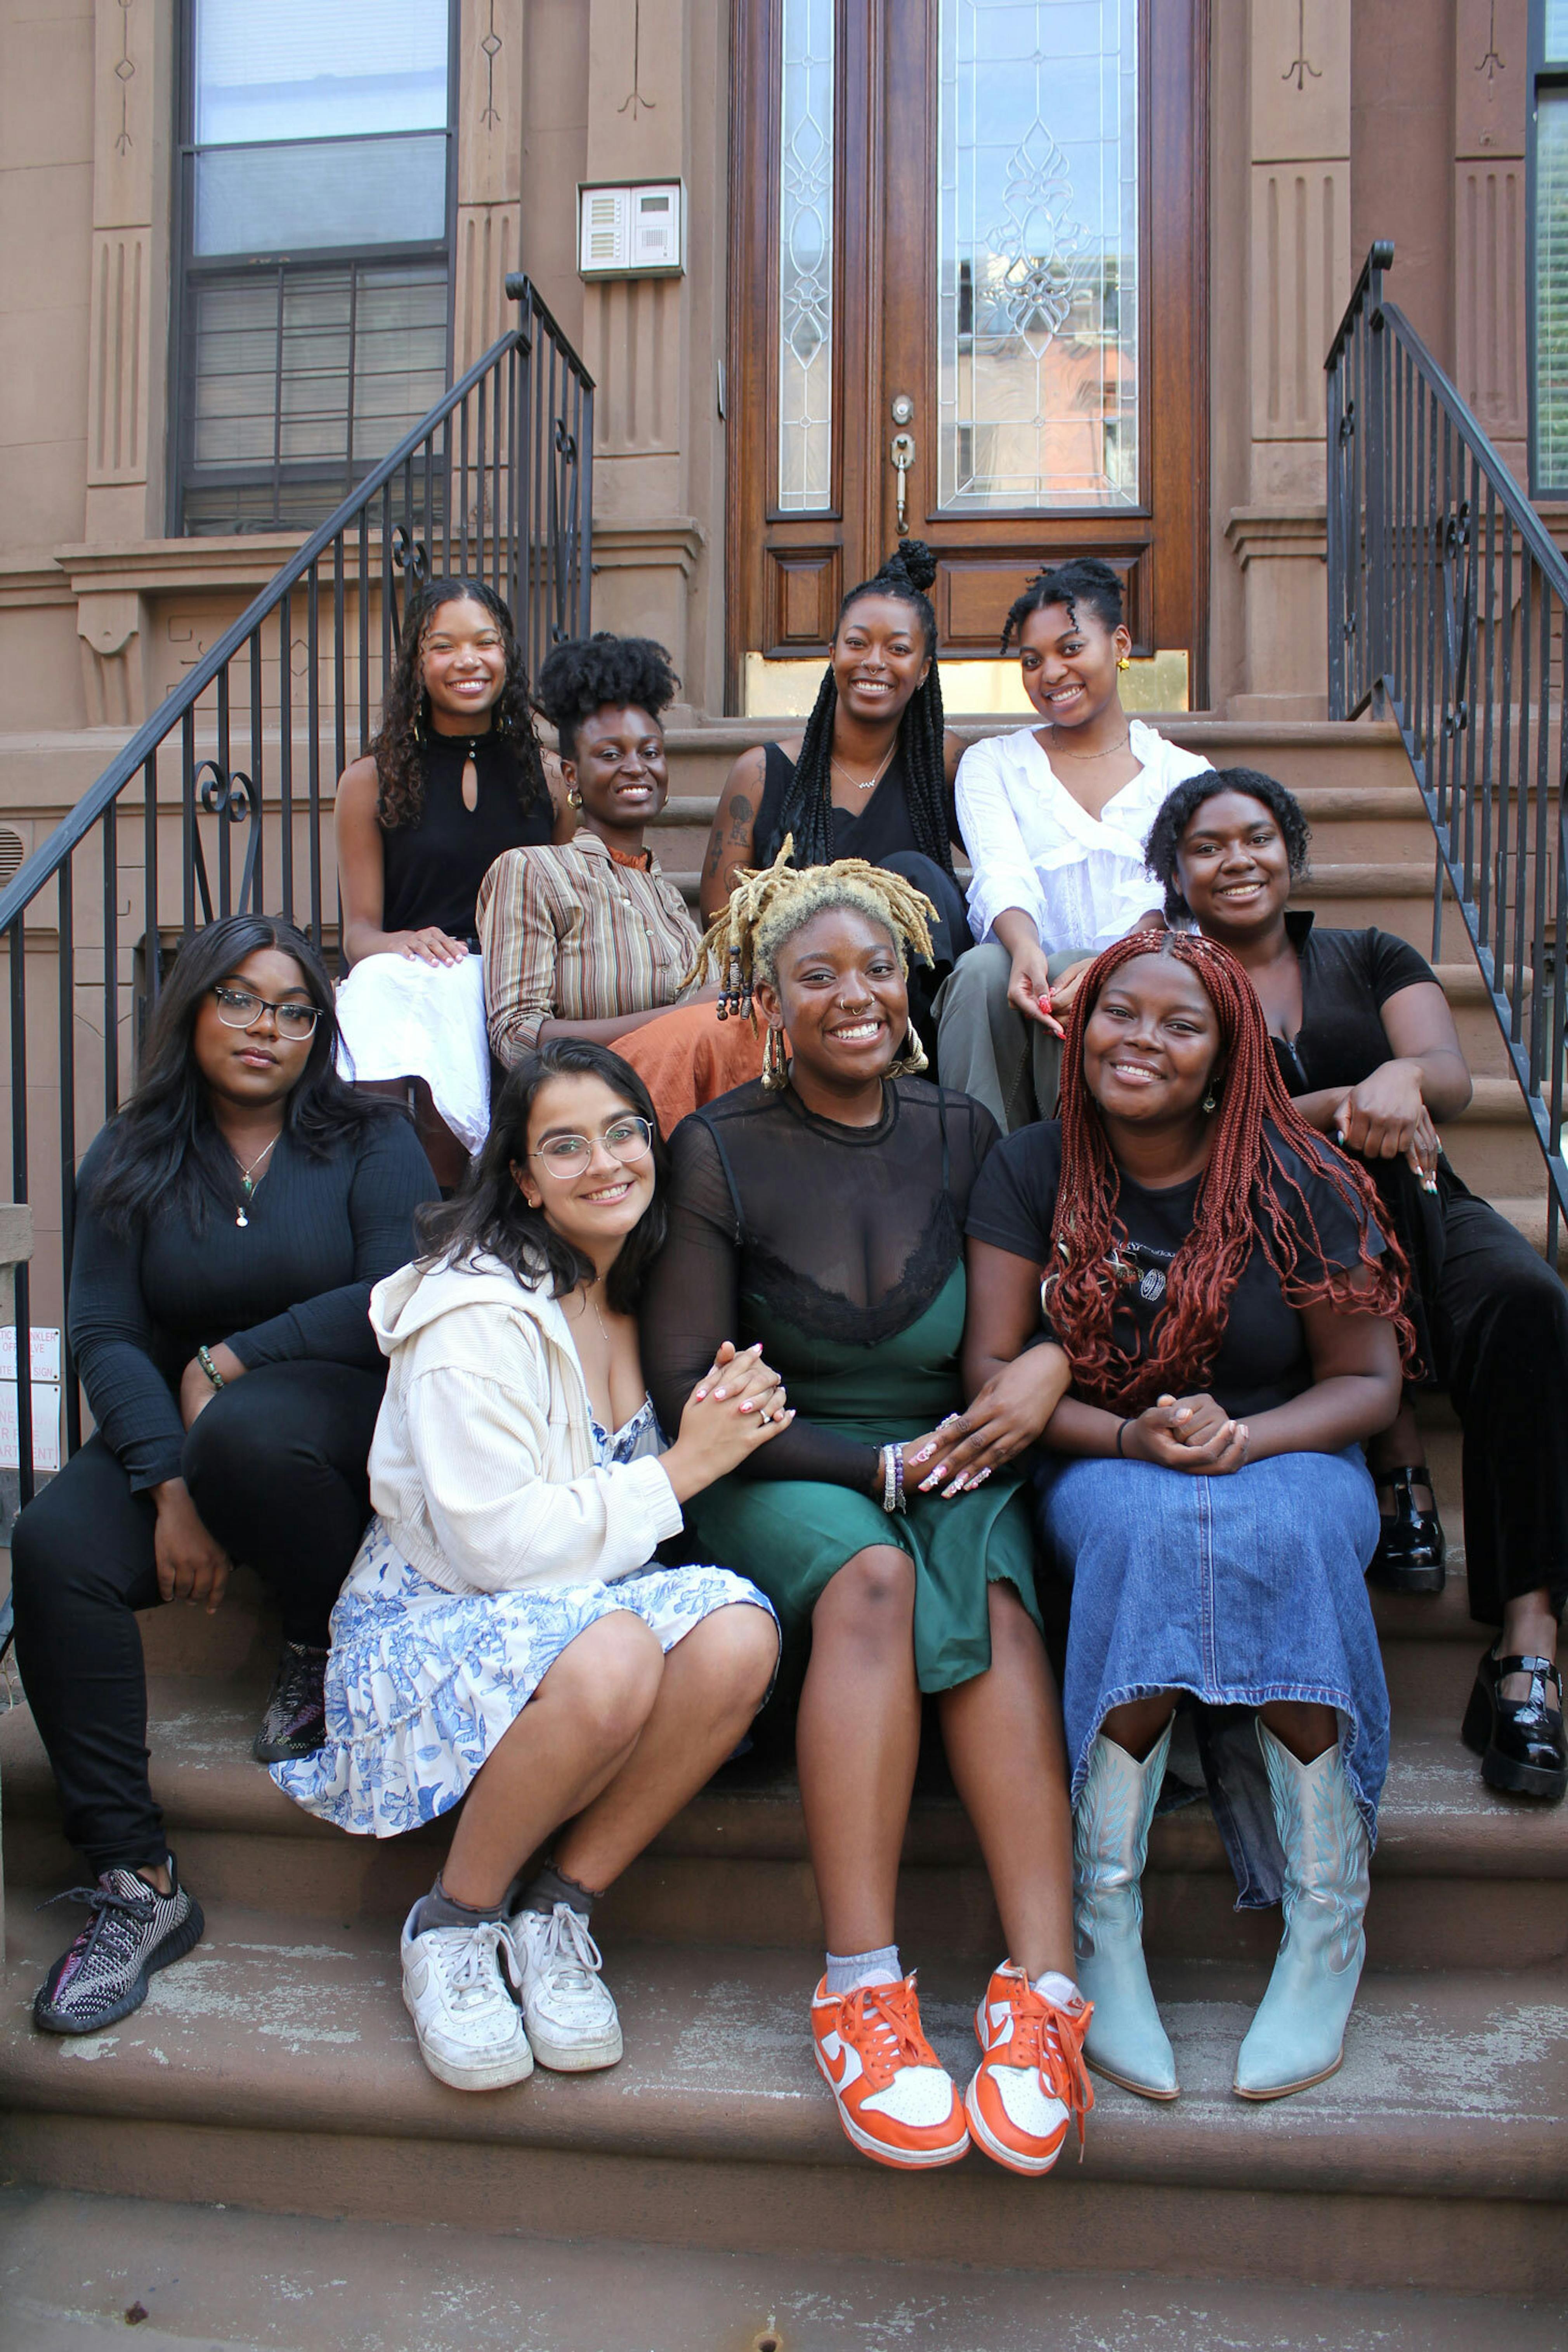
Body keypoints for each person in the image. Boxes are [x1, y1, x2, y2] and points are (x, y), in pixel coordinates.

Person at [642, 848, 1091, 2179]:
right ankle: (862, 1990)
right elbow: (687, 1386)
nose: (855, 994)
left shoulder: (966, 1134)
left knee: (991, 1582)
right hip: (786, 1469)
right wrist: (872, 1474)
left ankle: (1046, 1996)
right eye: (816, 975)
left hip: (950, 1447)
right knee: (881, 1581)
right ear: (768, 1003)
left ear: (912, 984)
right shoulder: (716, 1151)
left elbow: (1051, 1306)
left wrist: (1043, 1373)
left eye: (879, 969)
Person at [272, 1041, 785, 2094]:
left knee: (741, 1635)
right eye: (565, 1144)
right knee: (614, 1659)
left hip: (585, 1608)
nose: (605, 1161)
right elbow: (492, 1546)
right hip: (431, 1618)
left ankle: (558, 1911)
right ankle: (454, 1923)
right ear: (520, 1176)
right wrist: (684, 1468)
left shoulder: (643, 1286)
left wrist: (726, 1411)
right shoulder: (475, 1309)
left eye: (624, 1131)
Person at [964, 930, 1412, 2102]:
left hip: (1289, 1444)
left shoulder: (1294, 1172)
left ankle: (1328, 1921)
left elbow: (1368, 1384)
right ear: (1079, 1024)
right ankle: (1102, 1914)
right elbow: (993, 1369)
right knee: (1151, 1529)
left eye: (1180, 1024)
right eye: (1120, 1013)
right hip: (1104, 1451)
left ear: (1225, 1055)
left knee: (1289, 1531)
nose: (1141, 1041)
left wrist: (1244, 1437)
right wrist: (1128, 1435)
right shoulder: (1031, 1164)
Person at [11, 914, 437, 2038]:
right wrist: (165, 1489)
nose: (268, 1027)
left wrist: (231, 1358)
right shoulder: (131, 1149)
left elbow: (389, 1297)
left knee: (248, 1429)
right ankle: (134, 1882)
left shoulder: (370, 1134)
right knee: (53, 1545)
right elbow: (102, 1330)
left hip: (325, 1417)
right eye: (241, 999)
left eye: (297, 1009)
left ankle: (315, 1634)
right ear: (194, 1006)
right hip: (179, 1437)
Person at [1144, 767, 1567, 1804]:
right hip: (1270, 1244)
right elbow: (1197, 1121)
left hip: (1426, 1207)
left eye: (1256, 837)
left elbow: (1450, 1076)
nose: (1236, 860)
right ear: (1176, 873)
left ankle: (1528, 1629)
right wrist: (1358, 1093)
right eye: (1207, 846)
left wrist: (1401, 1080)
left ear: (1291, 850)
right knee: (1346, 1160)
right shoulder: (1175, 977)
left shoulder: (1371, 953)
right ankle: (1395, 1445)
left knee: (1529, 1303)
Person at [936, 557, 1211, 1131]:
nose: (1051, 673)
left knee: (1066, 968)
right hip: (1032, 983)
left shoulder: (1183, 774)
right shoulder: (995, 763)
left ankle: (1085, 1177)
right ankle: (981, 1172)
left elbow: (1171, 895)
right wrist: (1027, 952)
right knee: (982, 968)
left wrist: (1107, 964)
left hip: (1152, 974)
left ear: (1119, 643)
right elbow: (1001, 870)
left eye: (1070, 649)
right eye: (1031, 662)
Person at [479, 633, 764, 1138]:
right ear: (572, 774)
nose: (637, 766)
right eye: (611, 754)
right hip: (581, 1114)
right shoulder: (532, 872)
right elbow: (516, 1036)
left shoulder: (672, 904)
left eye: (650, 751)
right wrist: (676, 1018)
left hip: (686, 1114)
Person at [334, 577, 567, 1187]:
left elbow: (575, 907)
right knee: (392, 985)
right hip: (423, 980)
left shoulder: (548, 778)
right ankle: (412, 1199)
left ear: (507, 657)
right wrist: (401, 941)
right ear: (417, 662)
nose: (467, 660)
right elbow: (358, 935)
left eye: (485, 643)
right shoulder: (369, 781)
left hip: (521, 979)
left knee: (463, 992)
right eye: (443, 646)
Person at [699, 541, 970, 1053]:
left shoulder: (947, 765)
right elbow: (725, 928)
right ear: (832, 654)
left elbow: (1001, 875)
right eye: (857, 643)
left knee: (916, 873)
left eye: (898, 649)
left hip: (919, 1013)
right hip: (808, 1010)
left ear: (925, 668)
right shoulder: (761, 774)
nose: (874, 662)